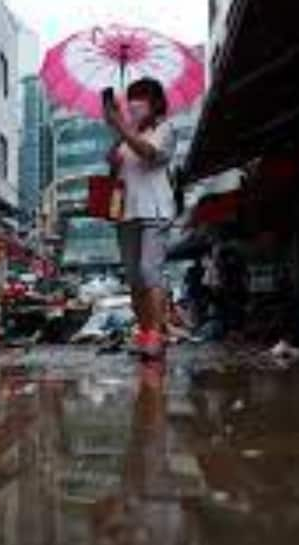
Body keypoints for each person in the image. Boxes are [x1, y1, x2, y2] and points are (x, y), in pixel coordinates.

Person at [104, 77, 177, 361]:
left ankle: (157, 335)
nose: (133, 104)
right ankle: (146, 334)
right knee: (134, 278)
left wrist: (122, 128)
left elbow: (149, 155)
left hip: (155, 211)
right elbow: (118, 174)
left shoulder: (164, 129)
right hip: (126, 212)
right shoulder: (127, 135)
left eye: (140, 98)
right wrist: (115, 148)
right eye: (130, 98)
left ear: (154, 102)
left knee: (149, 271)